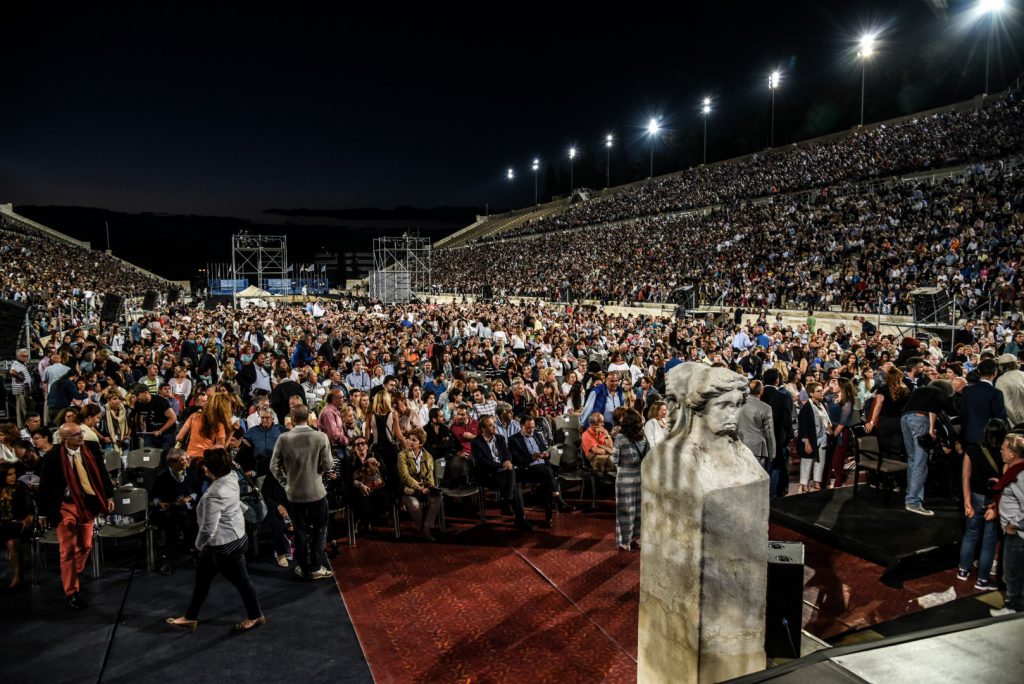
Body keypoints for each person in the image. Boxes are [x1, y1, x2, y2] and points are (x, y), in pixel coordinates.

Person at [166, 447, 265, 632]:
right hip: (229, 539)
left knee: (242, 582)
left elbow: (208, 528)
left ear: (208, 469)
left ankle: (256, 615)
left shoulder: (214, 494)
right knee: (202, 580)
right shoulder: (232, 478)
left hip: (225, 546)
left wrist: (197, 546)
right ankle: (191, 617)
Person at [38, 423, 115, 609]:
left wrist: (109, 495)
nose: (82, 437)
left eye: (81, 433)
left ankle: (73, 569)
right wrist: (42, 513)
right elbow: (45, 487)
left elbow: (102, 474)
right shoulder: (53, 458)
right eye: (76, 435)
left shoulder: (91, 449)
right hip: (65, 505)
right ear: (65, 440)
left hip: (87, 503)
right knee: (68, 550)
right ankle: (72, 591)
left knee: (86, 544)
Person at [270, 405, 334, 580]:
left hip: (294, 494)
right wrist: (318, 472)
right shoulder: (320, 437)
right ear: (308, 416)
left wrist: (286, 483)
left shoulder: (284, 438)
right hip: (316, 492)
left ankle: (304, 567)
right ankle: (315, 566)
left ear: (292, 417)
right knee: (320, 528)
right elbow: (329, 465)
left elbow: (273, 466)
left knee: (300, 530)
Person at [958, 419, 1008, 591]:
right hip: (993, 500)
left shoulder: (972, 450)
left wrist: (967, 501)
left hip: (975, 497)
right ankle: (982, 580)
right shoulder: (1004, 455)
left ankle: (963, 571)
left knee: (970, 534)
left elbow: (965, 476)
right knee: (989, 540)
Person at [900, 380, 956, 517]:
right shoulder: (936, 392)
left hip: (905, 419)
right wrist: (931, 428)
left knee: (912, 460)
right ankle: (913, 501)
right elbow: (933, 409)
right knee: (920, 463)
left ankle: (910, 493)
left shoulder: (920, 389)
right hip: (920, 420)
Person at [471, 415, 532, 531]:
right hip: (488, 474)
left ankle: (507, 502)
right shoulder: (476, 442)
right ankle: (519, 518)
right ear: (483, 429)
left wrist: (508, 460)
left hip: (503, 472)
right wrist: (502, 465)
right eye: (490, 425)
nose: (494, 427)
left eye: (494, 424)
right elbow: (482, 463)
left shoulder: (500, 438)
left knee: (513, 478)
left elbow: (507, 453)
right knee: (514, 481)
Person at [510, 417, 572, 529]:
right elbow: (516, 459)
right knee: (547, 473)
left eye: (533, 427)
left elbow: (545, 449)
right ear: (521, 426)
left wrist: (547, 454)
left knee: (546, 477)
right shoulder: (514, 440)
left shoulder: (538, 435)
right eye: (528, 428)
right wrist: (531, 457)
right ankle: (558, 502)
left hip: (542, 468)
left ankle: (549, 516)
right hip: (527, 469)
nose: (531, 430)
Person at [151, 449, 202, 574]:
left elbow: (198, 491)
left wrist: (189, 498)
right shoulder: (162, 477)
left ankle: (194, 551)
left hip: (187, 509)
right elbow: (154, 495)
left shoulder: (191, 473)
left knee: (190, 522)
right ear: (171, 463)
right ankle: (165, 558)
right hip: (169, 510)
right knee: (169, 527)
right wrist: (159, 503)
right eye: (182, 460)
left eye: (187, 459)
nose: (186, 462)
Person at [991, 433, 1024, 617]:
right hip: (1015, 533)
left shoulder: (1020, 475)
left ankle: (1015, 608)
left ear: (1012, 454)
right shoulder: (1015, 472)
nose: (1001, 451)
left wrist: (1014, 524)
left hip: (1017, 535)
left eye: (1004, 449)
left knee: (1013, 573)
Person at [611, 409, 648, 552]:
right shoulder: (643, 437)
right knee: (639, 510)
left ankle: (625, 541)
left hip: (624, 478)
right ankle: (638, 539)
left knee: (625, 510)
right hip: (640, 478)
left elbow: (614, 459)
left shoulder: (620, 438)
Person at [396, 428, 442, 540]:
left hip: (424, 488)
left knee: (438, 498)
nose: (410, 442)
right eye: (409, 439)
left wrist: (431, 486)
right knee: (415, 506)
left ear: (421, 443)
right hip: (409, 489)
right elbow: (405, 476)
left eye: (414, 440)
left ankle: (426, 528)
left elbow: (430, 476)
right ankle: (421, 528)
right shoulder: (402, 455)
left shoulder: (428, 456)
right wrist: (418, 487)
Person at [761, 368, 794, 499]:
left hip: (761, 438)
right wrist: (789, 436)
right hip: (779, 438)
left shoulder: (758, 396)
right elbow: (787, 420)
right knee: (777, 466)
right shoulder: (782, 396)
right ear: (777, 380)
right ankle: (773, 495)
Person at [866, 366, 910, 462]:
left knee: (884, 448)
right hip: (899, 421)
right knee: (896, 449)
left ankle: (885, 473)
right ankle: (894, 473)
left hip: (884, 421)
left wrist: (872, 422)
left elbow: (878, 406)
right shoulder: (905, 389)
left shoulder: (883, 388)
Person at [1, 462, 34, 588]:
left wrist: (28, 518)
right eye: (9, 475)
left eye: (14, 474)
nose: (13, 477)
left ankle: (18, 575)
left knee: (12, 541)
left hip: (20, 525)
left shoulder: (21, 487)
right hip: (4, 526)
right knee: (8, 536)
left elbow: (30, 509)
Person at [960, 359, 1007, 446]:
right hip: (988, 438)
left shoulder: (967, 390)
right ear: (995, 372)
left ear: (979, 372)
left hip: (968, 435)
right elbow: (1000, 418)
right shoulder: (995, 393)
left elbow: (963, 414)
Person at [797, 382, 831, 492]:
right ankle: (804, 483)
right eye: (818, 391)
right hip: (811, 439)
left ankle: (817, 482)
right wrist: (806, 442)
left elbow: (825, 420)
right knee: (807, 462)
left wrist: (829, 428)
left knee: (820, 462)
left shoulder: (823, 405)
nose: (821, 393)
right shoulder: (806, 408)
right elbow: (803, 427)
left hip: (823, 437)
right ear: (811, 394)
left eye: (822, 390)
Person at [735, 380, 775, 472]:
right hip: (758, 448)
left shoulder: (738, 404)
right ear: (761, 391)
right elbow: (770, 432)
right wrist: (772, 453)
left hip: (740, 445)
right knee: (758, 476)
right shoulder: (766, 408)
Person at [131, 383, 176, 451]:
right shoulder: (138, 403)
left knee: (164, 456)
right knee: (148, 456)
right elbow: (139, 417)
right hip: (150, 433)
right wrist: (140, 430)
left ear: (145, 392)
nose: (136, 398)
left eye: (138, 395)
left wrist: (160, 431)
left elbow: (173, 418)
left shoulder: (160, 401)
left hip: (166, 434)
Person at [995, 354, 1024, 427]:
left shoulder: (1001, 380)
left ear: (1001, 366)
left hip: (1017, 422)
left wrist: (1019, 425)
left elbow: (1009, 406)